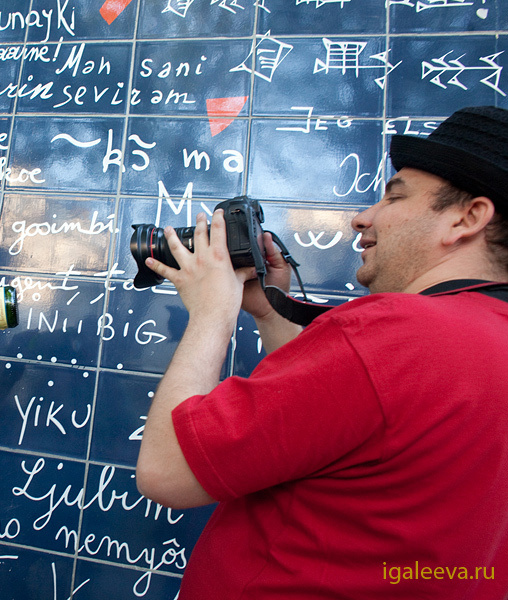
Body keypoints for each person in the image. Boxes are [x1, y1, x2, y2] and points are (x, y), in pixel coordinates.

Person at [136, 105, 508, 598]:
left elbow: (168, 470)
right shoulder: (483, 338)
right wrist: (270, 312)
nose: (363, 218)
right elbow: (327, 428)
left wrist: (211, 312)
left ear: (468, 217)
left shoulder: (397, 333)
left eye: (393, 198)